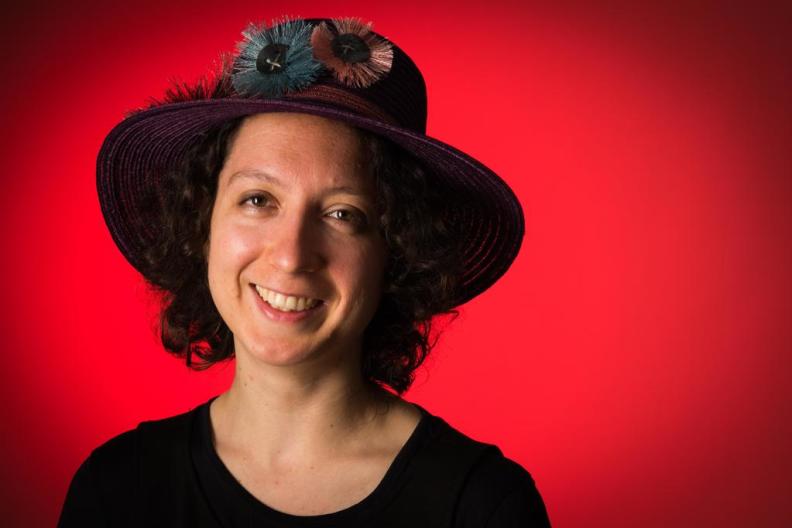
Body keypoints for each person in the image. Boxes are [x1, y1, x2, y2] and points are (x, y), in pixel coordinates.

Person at [57, 16, 551, 527]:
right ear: (202, 223)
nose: (291, 256)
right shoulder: (119, 489)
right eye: (258, 200)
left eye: (342, 214)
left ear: (397, 251)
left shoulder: (481, 504)